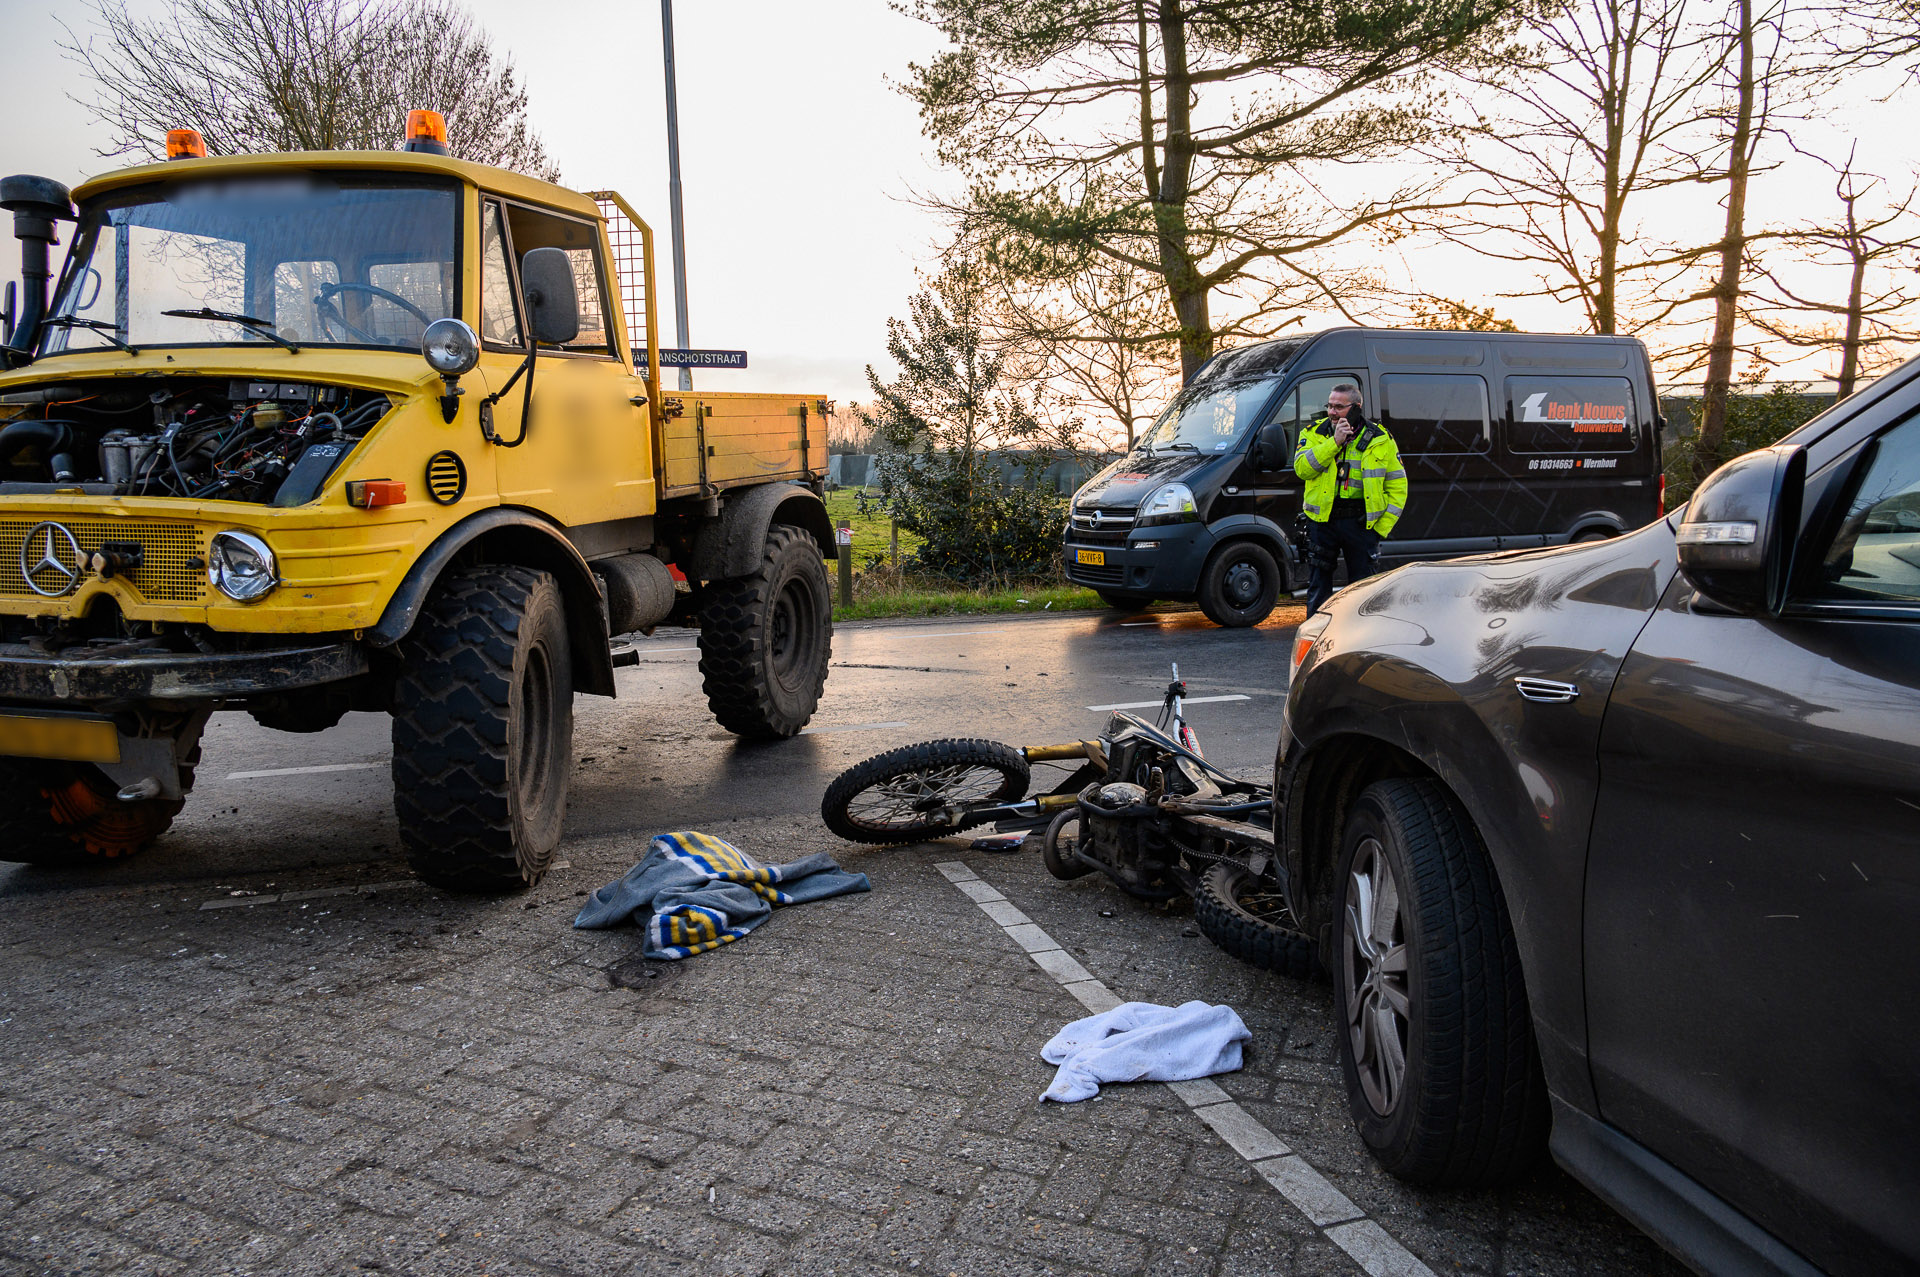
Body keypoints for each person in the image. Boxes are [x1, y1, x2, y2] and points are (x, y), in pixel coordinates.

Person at [1294, 384, 1406, 615]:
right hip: (1322, 523)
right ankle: (1315, 640)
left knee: (1363, 591)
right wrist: (1334, 442)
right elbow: (1302, 469)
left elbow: (1398, 486)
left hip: (1361, 524)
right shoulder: (1314, 434)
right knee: (1318, 589)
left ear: (1356, 408)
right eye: (1330, 406)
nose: (1332, 412)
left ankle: (1359, 643)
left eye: (1339, 407)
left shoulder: (1380, 438)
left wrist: (1379, 529)